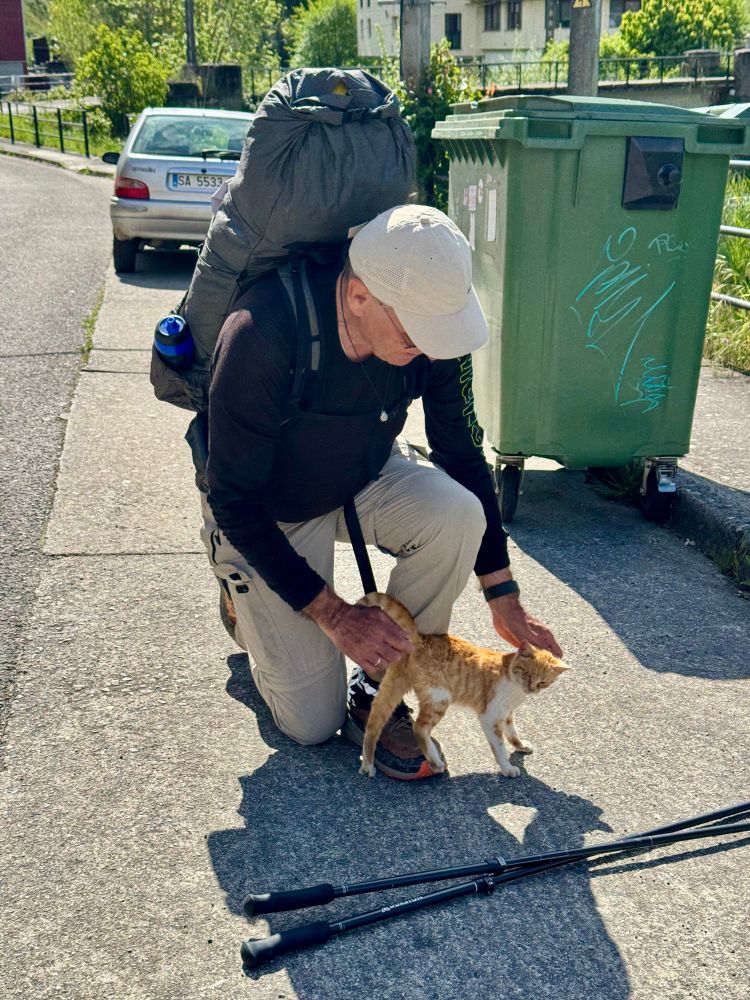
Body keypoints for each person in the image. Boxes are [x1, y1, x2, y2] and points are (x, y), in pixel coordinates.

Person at [201, 204, 562, 780]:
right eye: (416, 329)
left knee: (457, 514)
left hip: (362, 474)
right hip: (268, 512)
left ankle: (379, 688)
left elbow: (463, 457)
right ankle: (245, 609)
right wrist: (335, 615)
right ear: (359, 295)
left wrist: (504, 594)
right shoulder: (261, 333)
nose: (431, 345)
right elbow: (234, 499)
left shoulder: (431, 336)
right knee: (311, 725)